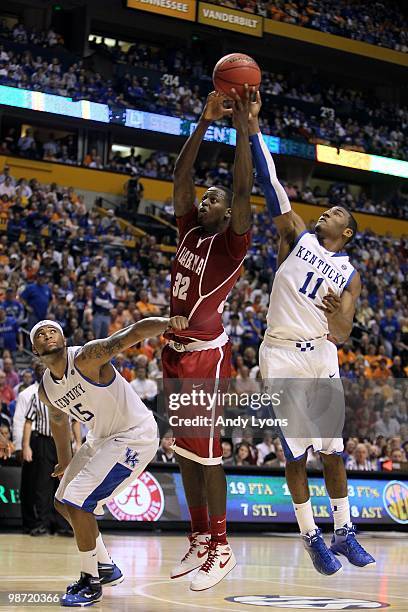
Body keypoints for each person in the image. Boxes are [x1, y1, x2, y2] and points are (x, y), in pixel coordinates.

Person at [249, 94, 374, 575]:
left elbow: (343, 332)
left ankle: (345, 532)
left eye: (338, 213)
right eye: (328, 209)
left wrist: (334, 315)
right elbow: (271, 183)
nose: (328, 212)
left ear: (348, 234)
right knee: (295, 455)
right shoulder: (296, 236)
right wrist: (254, 126)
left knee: (334, 452)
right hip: (281, 354)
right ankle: (311, 536)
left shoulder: (350, 273)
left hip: (321, 354)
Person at [162, 88, 252, 591]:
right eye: (206, 196)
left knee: (209, 455)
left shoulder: (230, 243)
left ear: (226, 213)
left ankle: (222, 546)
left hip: (204, 357)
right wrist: (202, 119)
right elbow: (180, 175)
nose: (205, 199)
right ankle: (199, 537)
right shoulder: (188, 233)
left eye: (213, 199)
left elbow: (242, 190)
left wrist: (240, 128)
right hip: (175, 354)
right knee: (184, 452)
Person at [33, 315, 187, 606]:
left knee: (78, 501)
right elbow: (58, 420)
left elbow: (131, 333)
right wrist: (65, 462)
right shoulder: (46, 389)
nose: (48, 335)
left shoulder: (87, 357)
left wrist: (169, 322)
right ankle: (105, 566)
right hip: (102, 438)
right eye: (41, 334)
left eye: (53, 330)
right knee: (61, 501)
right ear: (35, 350)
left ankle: (90, 581)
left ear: (65, 340)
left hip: (134, 435)